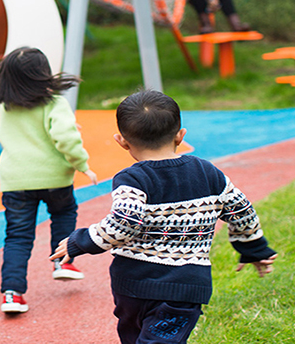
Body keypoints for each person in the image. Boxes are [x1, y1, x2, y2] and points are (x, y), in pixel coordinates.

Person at [50, 90, 277, 343]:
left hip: (132, 286)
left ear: (122, 141)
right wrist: (254, 248)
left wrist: (80, 241)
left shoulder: (132, 179)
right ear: (181, 135)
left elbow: (124, 222)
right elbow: (241, 211)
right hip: (184, 289)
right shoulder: (208, 173)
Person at [0, 47, 98, 314]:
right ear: (42, 74)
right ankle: (62, 262)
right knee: (63, 212)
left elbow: (25, 132)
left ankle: (12, 295)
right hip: (53, 178)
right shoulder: (54, 102)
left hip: (15, 180)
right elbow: (64, 138)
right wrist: (82, 165)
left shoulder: (5, 105)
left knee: (17, 236)